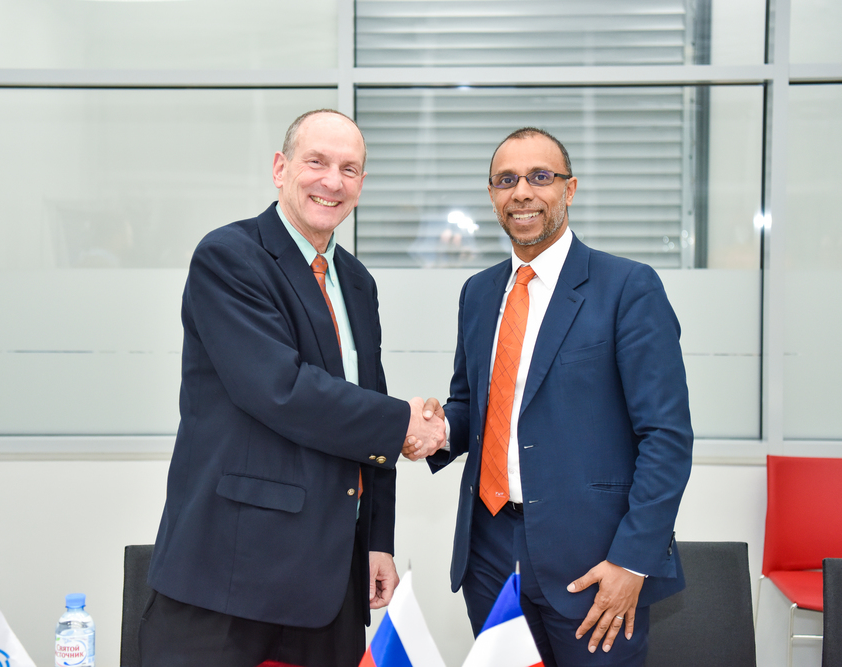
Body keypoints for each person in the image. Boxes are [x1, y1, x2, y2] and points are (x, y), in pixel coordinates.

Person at [141, 109, 446, 667]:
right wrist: (404, 421)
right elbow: (279, 390)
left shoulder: (357, 282)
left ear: (361, 184)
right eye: (317, 162)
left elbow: (366, 407)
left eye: (349, 169)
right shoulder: (230, 257)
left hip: (331, 580)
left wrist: (377, 539)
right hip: (231, 574)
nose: (332, 181)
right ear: (281, 168)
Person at [406, 127, 693, 666]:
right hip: (490, 554)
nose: (522, 192)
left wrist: (632, 562)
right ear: (492, 194)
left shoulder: (628, 287)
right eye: (506, 180)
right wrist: (438, 429)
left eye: (540, 177)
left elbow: (666, 437)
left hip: (594, 561)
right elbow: (473, 405)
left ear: (570, 188)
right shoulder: (478, 293)